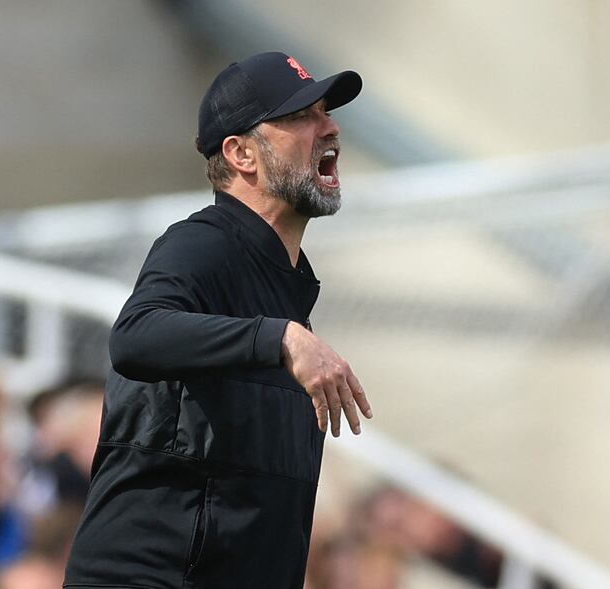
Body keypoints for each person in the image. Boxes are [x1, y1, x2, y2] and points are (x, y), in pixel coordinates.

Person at [63, 51, 372, 589]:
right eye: (301, 116)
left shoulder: (286, 289)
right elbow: (135, 335)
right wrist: (277, 338)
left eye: (325, 110)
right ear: (241, 154)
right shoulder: (203, 244)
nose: (329, 126)